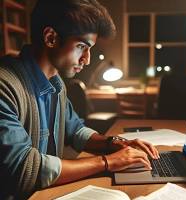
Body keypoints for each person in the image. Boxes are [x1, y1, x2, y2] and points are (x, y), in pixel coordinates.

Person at [0, 0, 159, 199]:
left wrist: (115, 144)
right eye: (82, 46)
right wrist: (107, 162)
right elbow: (23, 169)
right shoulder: (5, 87)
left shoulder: (56, 83)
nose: (87, 59)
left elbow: (76, 131)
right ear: (51, 38)